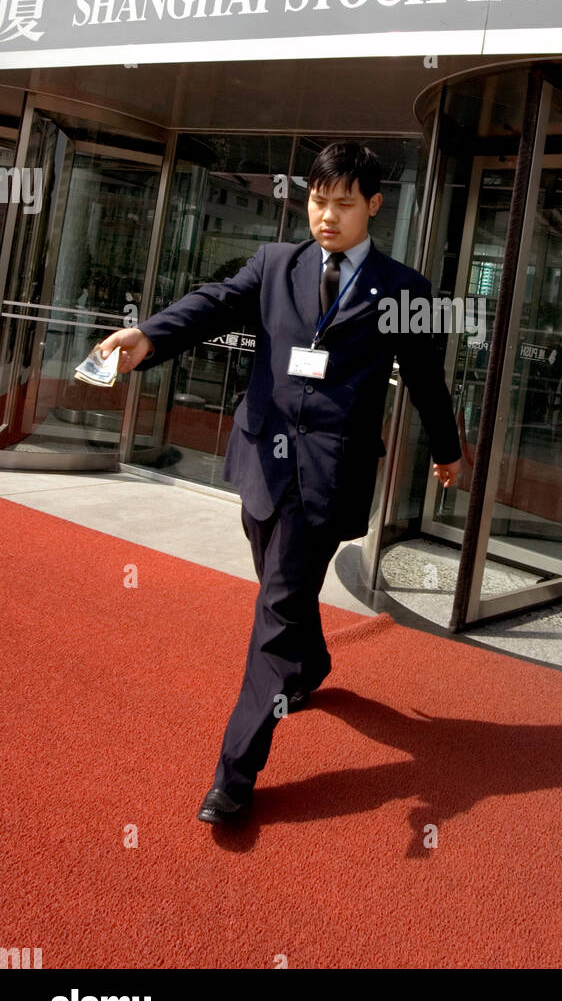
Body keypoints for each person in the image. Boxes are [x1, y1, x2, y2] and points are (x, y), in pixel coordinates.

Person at [97, 144, 462, 827]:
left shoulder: (405, 288)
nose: (327, 216)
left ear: (374, 206)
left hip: (328, 476)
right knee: (283, 596)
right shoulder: (275, 265)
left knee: (274, 617)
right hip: (261, 464)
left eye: (344, 203)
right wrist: (149, 335)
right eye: (318, 201)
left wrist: (447, 451)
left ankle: (235, 774)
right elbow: (212, 304)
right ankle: (315, 659)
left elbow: (425, 378)